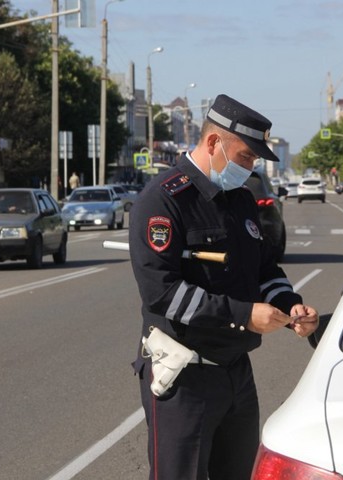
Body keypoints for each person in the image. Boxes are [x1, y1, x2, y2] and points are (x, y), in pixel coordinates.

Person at [128, 94, 319, 480]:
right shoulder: (164, 200)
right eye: (246, 157)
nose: (249, 168)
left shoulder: (241, 201)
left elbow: (264, 269)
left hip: (236, 373)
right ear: (214, 143)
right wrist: (244, 315)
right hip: (184, 378)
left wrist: (289, 305)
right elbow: (163, 293)